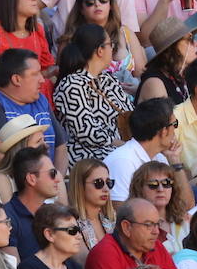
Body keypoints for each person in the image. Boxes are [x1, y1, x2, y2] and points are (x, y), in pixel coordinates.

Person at [0, 49, 66, 172]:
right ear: (16, 79)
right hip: (12, 186)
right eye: (35, 74)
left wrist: (56, 179)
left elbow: (60, 145)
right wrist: (34, 182)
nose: (42, 79)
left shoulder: (41, 100)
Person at [53, 25, 135, 164]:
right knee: (128, 161)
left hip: (121, 148)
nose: (113, 48)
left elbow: (131, 113)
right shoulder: (71, 85)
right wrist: (129, 148)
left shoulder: (108, 79)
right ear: (100, 51)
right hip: (88, 154)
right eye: (110, 44)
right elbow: (89, 134)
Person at [86, 199, 179, 269]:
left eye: (157, 224)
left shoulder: (156, 245)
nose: (156, 232)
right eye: (148, 225)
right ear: (126, 227)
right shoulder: (104, 253)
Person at [104, 96, 182, 195]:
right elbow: (120, 208)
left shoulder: (160, 158)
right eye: (175, 124)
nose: (175, 130)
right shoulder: (123, 161)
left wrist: (175, 161)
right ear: (163, 131)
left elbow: (187, 204)